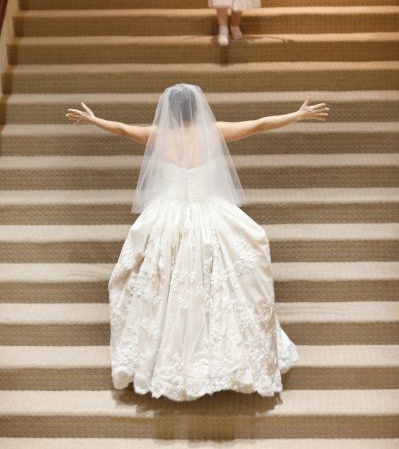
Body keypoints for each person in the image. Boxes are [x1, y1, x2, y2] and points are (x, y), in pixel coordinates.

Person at [65, 84, 329, 402]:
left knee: (164, 287)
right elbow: (259, 123)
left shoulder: (160, 136)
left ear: (170, 111)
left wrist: (95, 120)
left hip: (167, 217)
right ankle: (224, 361)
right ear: (197, 108)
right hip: (211, 214)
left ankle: (167, 362)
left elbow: (121, 129)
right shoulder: (212, 132)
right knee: (224, 281)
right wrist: (297, 115)